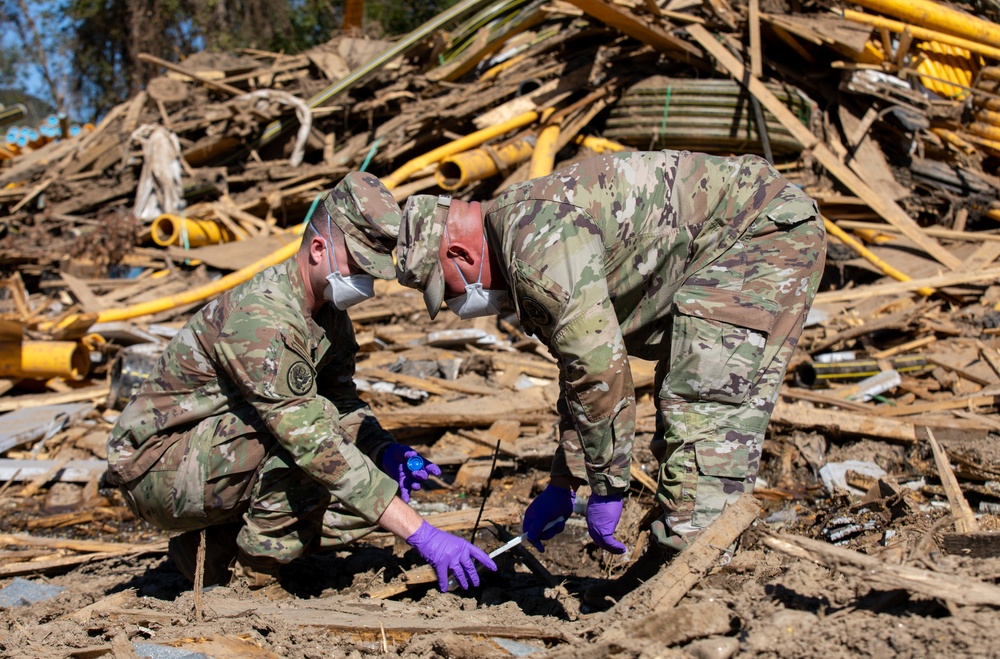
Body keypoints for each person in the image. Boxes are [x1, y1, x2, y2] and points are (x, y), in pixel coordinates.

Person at [395, 150, 824, 597]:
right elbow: (578, 371)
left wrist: (607, 489)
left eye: (446, 288)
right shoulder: (518, 235)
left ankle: (702, 581)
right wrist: (566, 480)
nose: (456, 306)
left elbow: (600, 371)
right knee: (689, 406)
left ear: (459, 250)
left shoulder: (535, 246)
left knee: (704, 415)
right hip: (726, 242)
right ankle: (678, 565)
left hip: (757, 236)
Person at [106, 171, 496, 592]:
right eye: (360, 267)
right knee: (320, 442)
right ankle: (252, 579)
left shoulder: (329, 316)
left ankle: (215, 549)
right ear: (317, 248)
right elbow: (311, 440)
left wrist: (386, 452)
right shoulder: (264, 317)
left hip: (214, 457)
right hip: (156, 468)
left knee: (365, 484)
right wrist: (423, 534)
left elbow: (345, 404)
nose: (366, 283)